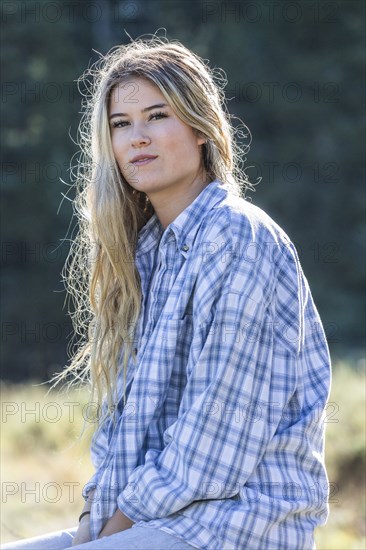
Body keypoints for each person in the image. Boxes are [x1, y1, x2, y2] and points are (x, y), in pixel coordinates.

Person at [3, 35, 331, 549]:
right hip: (155, 521)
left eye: (157, 116)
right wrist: (93, 521)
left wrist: (113, 528)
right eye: (121, 124)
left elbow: (216, 437)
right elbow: (121, 430)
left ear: (200, 127)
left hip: (234, 525)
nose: (137, 137)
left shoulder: (237, 237)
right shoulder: (145, 255)